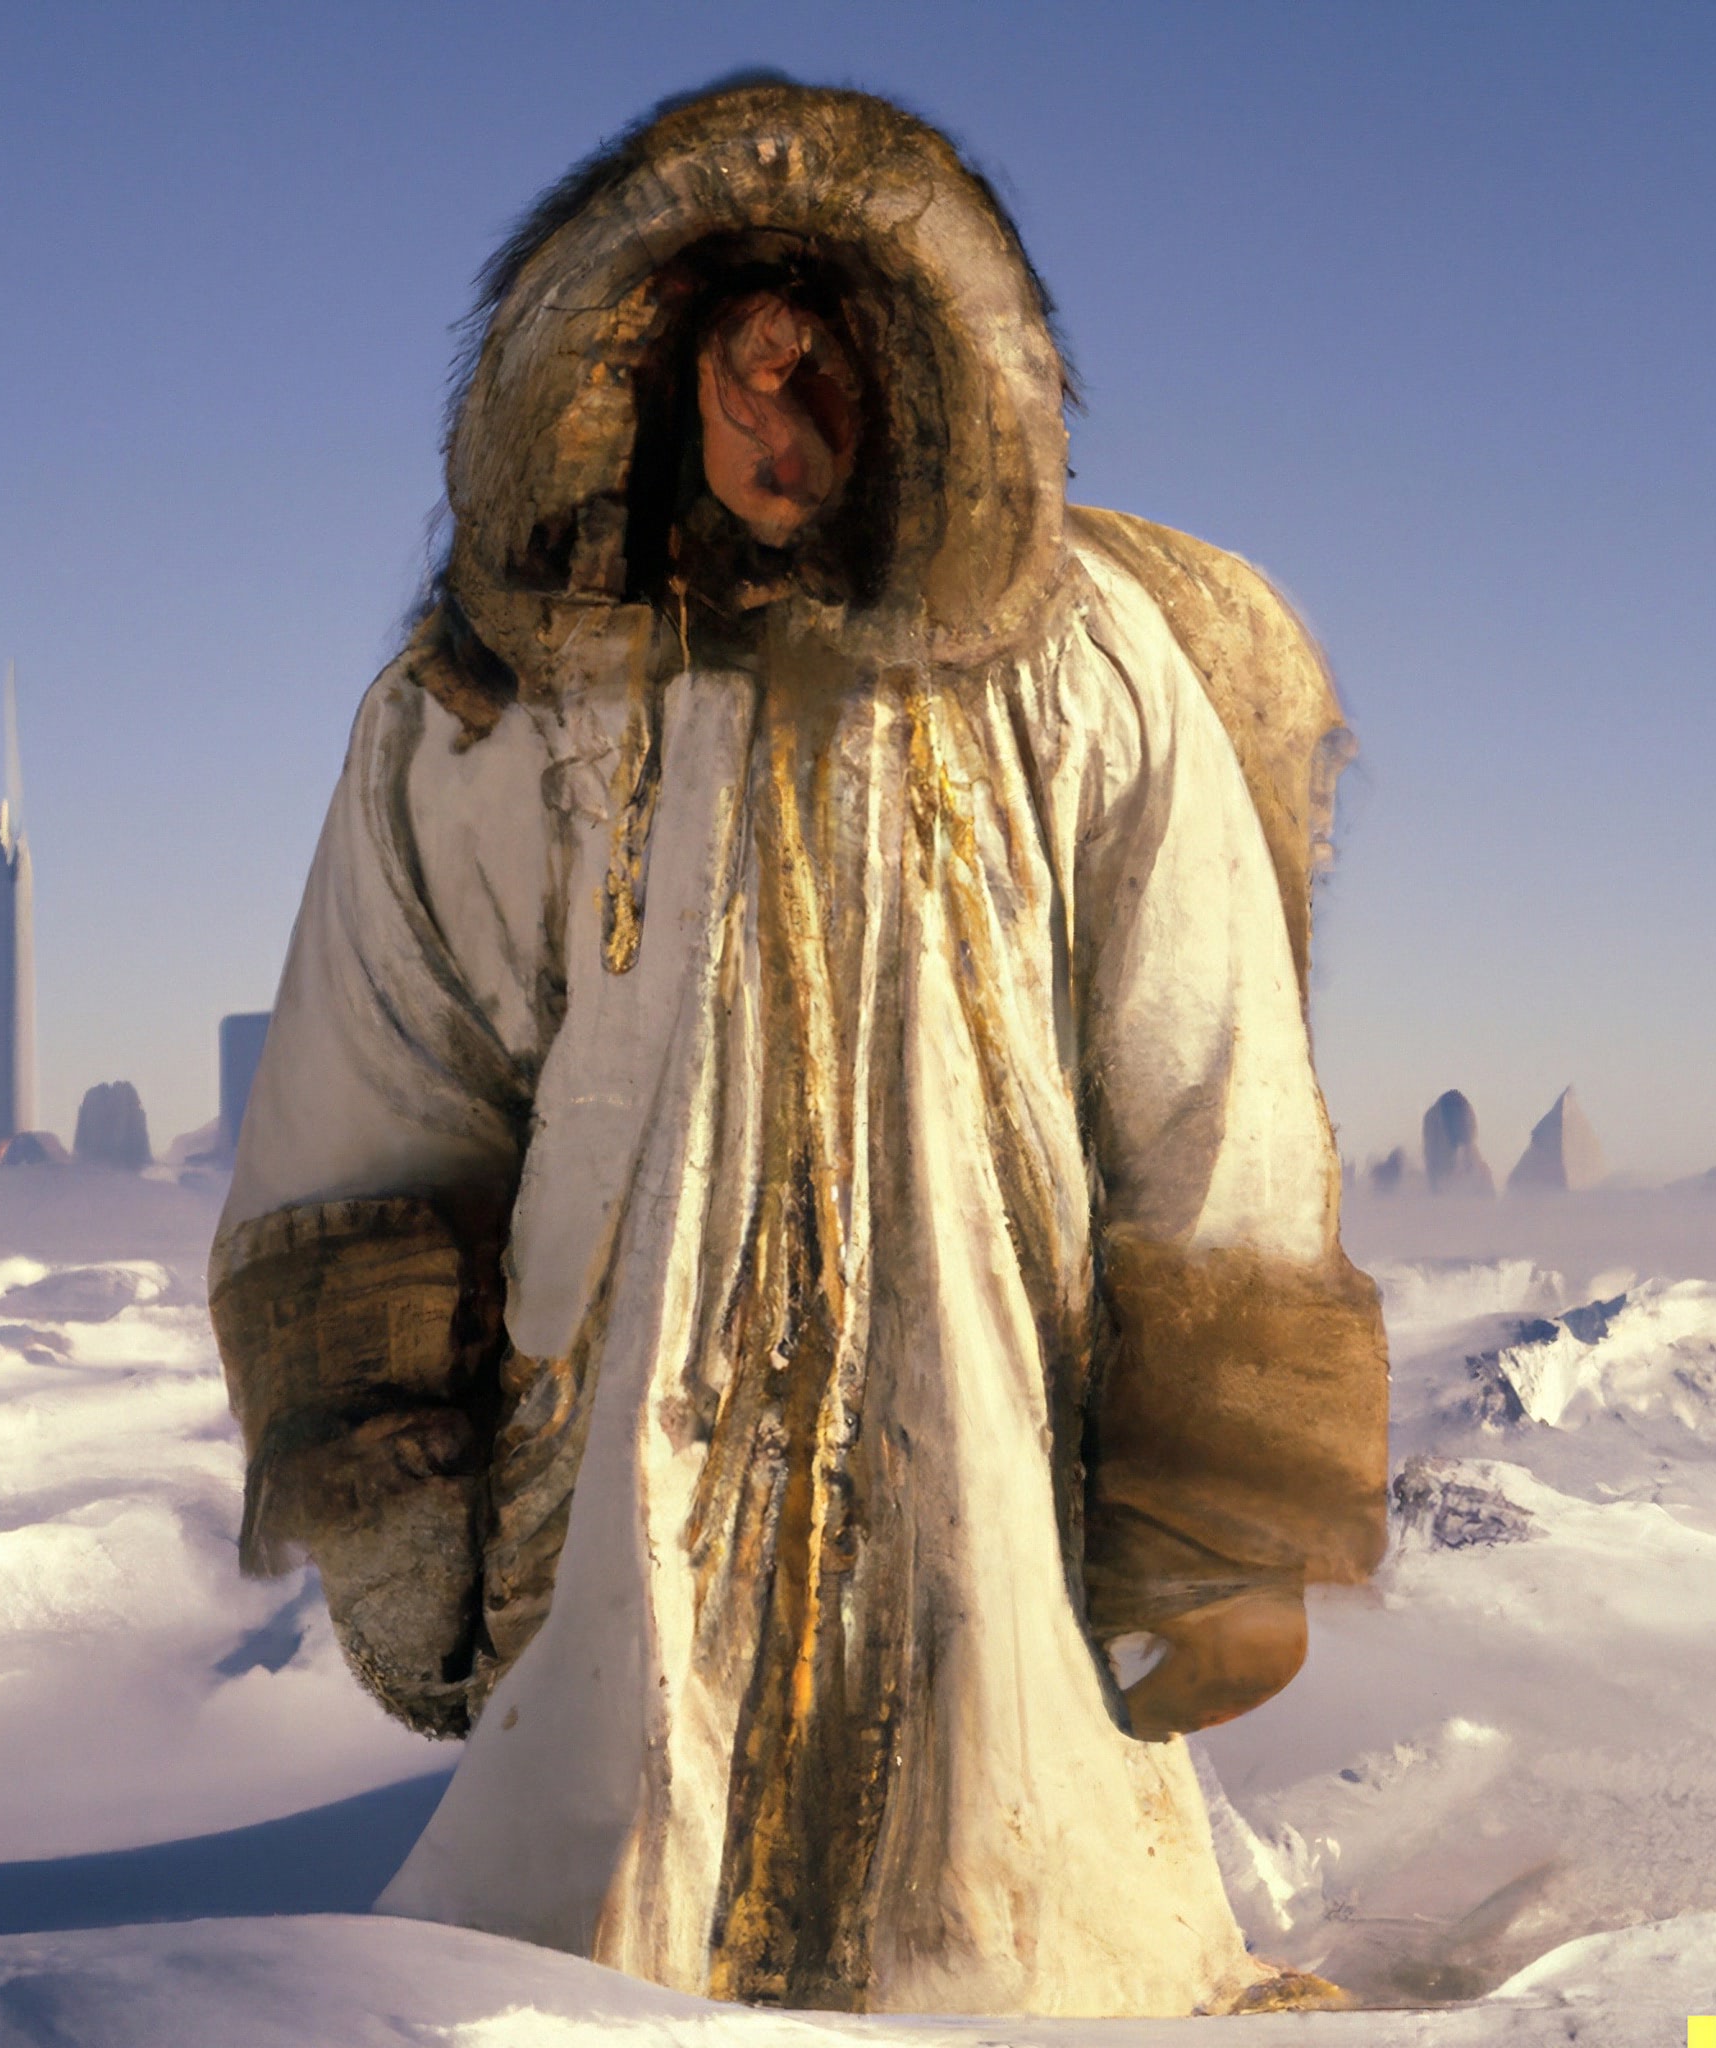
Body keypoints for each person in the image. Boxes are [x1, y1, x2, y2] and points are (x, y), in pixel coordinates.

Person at [210, 76, 1387, 2019]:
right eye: (746, 374)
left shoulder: (1078, 658)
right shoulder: (506, 697)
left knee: (1027, 1933)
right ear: (653, 377)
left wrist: (1224, 1511)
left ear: (922, 382)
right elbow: (385, 1069)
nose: (787, 419)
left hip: (990, 1410)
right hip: (622, 1423)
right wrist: (385, 1472)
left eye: (836, 370)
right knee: (581, 1940)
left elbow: (1207, 1067)